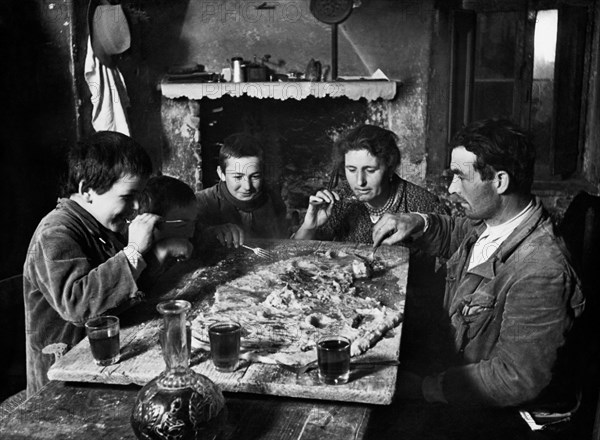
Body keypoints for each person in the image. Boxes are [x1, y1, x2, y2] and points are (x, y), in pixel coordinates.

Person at [372, 119, 584, 408]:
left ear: (500, 181)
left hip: (481, 412)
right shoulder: (495, 221)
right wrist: (416, 221)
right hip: (445, 366)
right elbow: (457, 233)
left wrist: (425, 388)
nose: (451, 188)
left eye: (460, 177)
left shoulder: (542, 271)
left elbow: (514, 379)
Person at [23, 131, 176, 396]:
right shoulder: (55, 233)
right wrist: (135, 249)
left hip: (104, 360)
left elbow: (124, 288)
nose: (137, 206)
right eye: (128, 197)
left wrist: (158, 255)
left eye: (140, 195)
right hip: (62, 378)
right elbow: (78, 304)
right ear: (87, 190)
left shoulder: (101, 223)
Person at [293, 124, 447, 243]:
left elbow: (445, 270)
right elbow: (297, 257)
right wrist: (309, 227)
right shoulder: (338, 201)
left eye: (370, 170)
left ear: (389, 166)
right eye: (352, 170)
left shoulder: (424, 205)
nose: (360, 181)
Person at [196, 133, 288, 247]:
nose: (247, 187)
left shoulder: (273, 200)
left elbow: (284, 248)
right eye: (238, 177)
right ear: (221, 174)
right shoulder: (199, 203)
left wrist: (309, 226)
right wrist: (210, 233)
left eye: (255, 176)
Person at [137, 175, 198, 270]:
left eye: (194, 222)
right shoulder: (130, 251)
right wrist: (161, 252)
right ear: (153, 223)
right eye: (182, 224)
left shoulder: (187, 232)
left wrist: (213, 233)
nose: (192, 231)